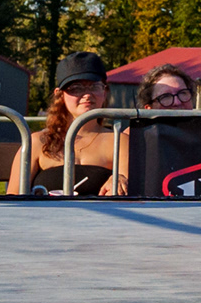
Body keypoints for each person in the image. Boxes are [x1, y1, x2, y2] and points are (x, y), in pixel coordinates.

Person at [14, 52, 128, 197]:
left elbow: (131, 194)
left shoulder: (119, 142)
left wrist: (120, 180)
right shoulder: (37, 142)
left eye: (94, 86)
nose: (87, 94)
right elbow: (13, 197)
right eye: (76, 88)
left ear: (104, 92)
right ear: (60, 95)